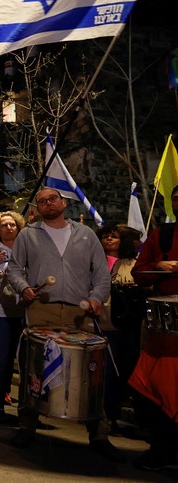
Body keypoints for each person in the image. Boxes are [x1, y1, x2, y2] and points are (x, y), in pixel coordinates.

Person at [5, 187, 125, 462]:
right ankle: (27, 425)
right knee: (33, 367)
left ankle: (98, 434)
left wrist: (96, 298)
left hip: (79, 312)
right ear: (37, 209)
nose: (48, 204)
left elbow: (102, 275)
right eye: (42, 201)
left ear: (63, 203)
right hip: (41, 309)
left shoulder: (87, 235)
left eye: (53, 199)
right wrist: (23, 288)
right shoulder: (28, 234)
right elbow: (13, 268)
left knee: (89, 372)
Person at [127, 184, 178, 471]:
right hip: (166, 332)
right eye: (175, 200)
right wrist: (160, 265)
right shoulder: (163, 235)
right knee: (156, 388)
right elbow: (139, 273)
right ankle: (162, 449)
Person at [96, 223, 143, 436]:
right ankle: (106, 418)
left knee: (125, 373)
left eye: (114, 236)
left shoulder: (135, 264)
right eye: (106, 236)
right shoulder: (97, 262)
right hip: (106, 325)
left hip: (130, 326)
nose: (109, 240)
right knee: (109, 376)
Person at [0, 210, 26, 423]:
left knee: (22, 359)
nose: (9, 228)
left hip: (24, 312)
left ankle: (26, 407)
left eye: (12, 225)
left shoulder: (26, 249)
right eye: (4, 225)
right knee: (0, 358)